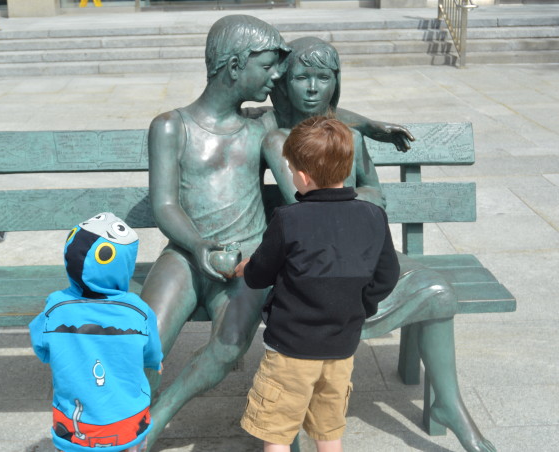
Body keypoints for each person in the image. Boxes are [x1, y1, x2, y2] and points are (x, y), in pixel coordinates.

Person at [260, 36, 497, 452]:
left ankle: (449, 404)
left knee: (438, 290)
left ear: (337, 82)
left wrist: (363, 154)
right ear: (284, 82)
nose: (313, 88)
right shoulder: (276, 137)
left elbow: (376, 193)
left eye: (324, 78)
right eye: (301, 77)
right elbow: (303, 202)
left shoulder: (351, 137)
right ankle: (289, 427)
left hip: (366, 248)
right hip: (310, 259)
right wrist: (355, 201)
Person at [140, 15, 291, 444]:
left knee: (229, 346)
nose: (276, 75)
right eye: (266, 65)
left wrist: (370, 126)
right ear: (235, 66)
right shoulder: (171, 125)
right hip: (185, 254)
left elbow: (315, 103)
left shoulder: (261, 126)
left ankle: (159, 416)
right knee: (144, 338)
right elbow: (165, 204)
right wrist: (199, 245)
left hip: (249, 259)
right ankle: (128, 416)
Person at [236, 116, 400, 452]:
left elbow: (260, 275)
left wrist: (246, 267)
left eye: (293, 168)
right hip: (341, 347)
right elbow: (387, 275)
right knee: (328, 432)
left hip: (290, 350)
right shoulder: (372, 216)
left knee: (277, 431)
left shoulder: (289, 219)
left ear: (303, 176)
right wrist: (359, 305)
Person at [29, 212, 163, 452]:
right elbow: (151, 350)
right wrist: (155, 361)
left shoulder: (56, 307)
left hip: (74, 429)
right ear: (124, 265)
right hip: (127, 425)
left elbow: (40, 344)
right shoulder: (138, 311)